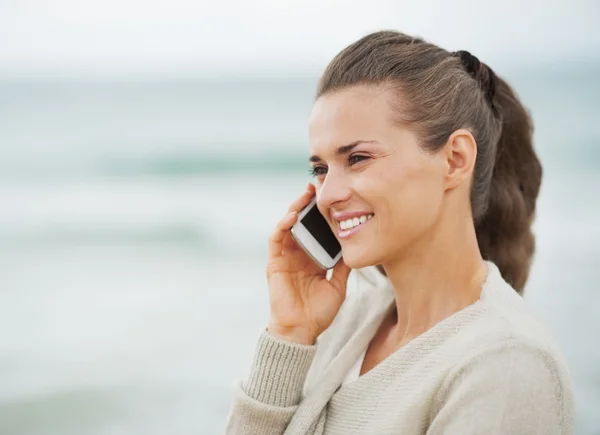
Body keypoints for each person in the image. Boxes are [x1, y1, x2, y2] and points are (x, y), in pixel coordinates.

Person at [224, 30, 574, 435]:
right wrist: (290, 333)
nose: (328, 195)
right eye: (320, 170)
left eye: (357, 158)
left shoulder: (504, 365)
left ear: (455, 160)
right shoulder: (349, 324)